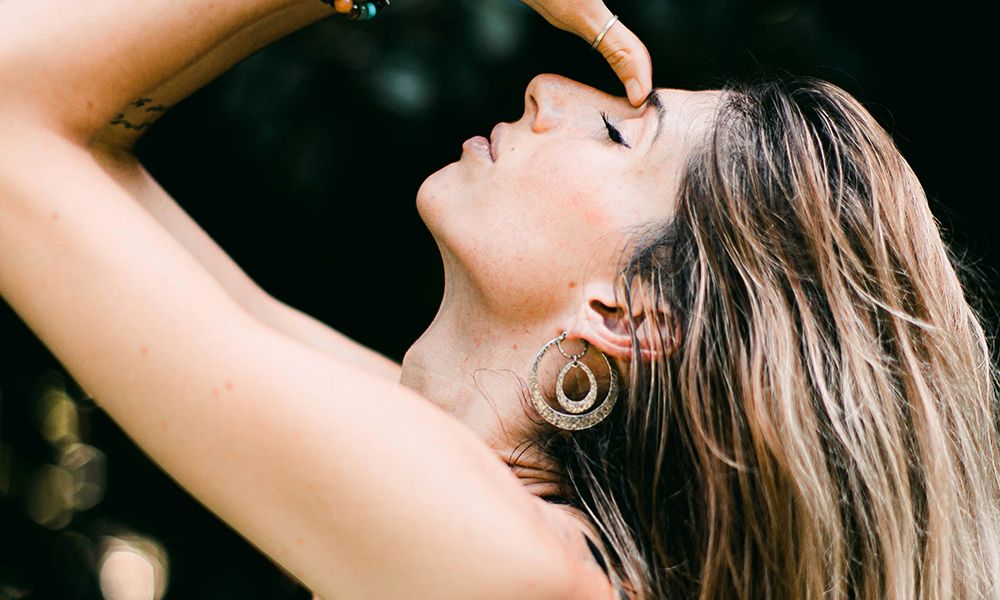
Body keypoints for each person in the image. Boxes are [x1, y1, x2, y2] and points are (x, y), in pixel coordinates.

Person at [1, 2, 998, 600]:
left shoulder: (508, 568)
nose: (548, 89)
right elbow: (75, 139)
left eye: (619, 137)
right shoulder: (502, 533)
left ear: (633, 315)